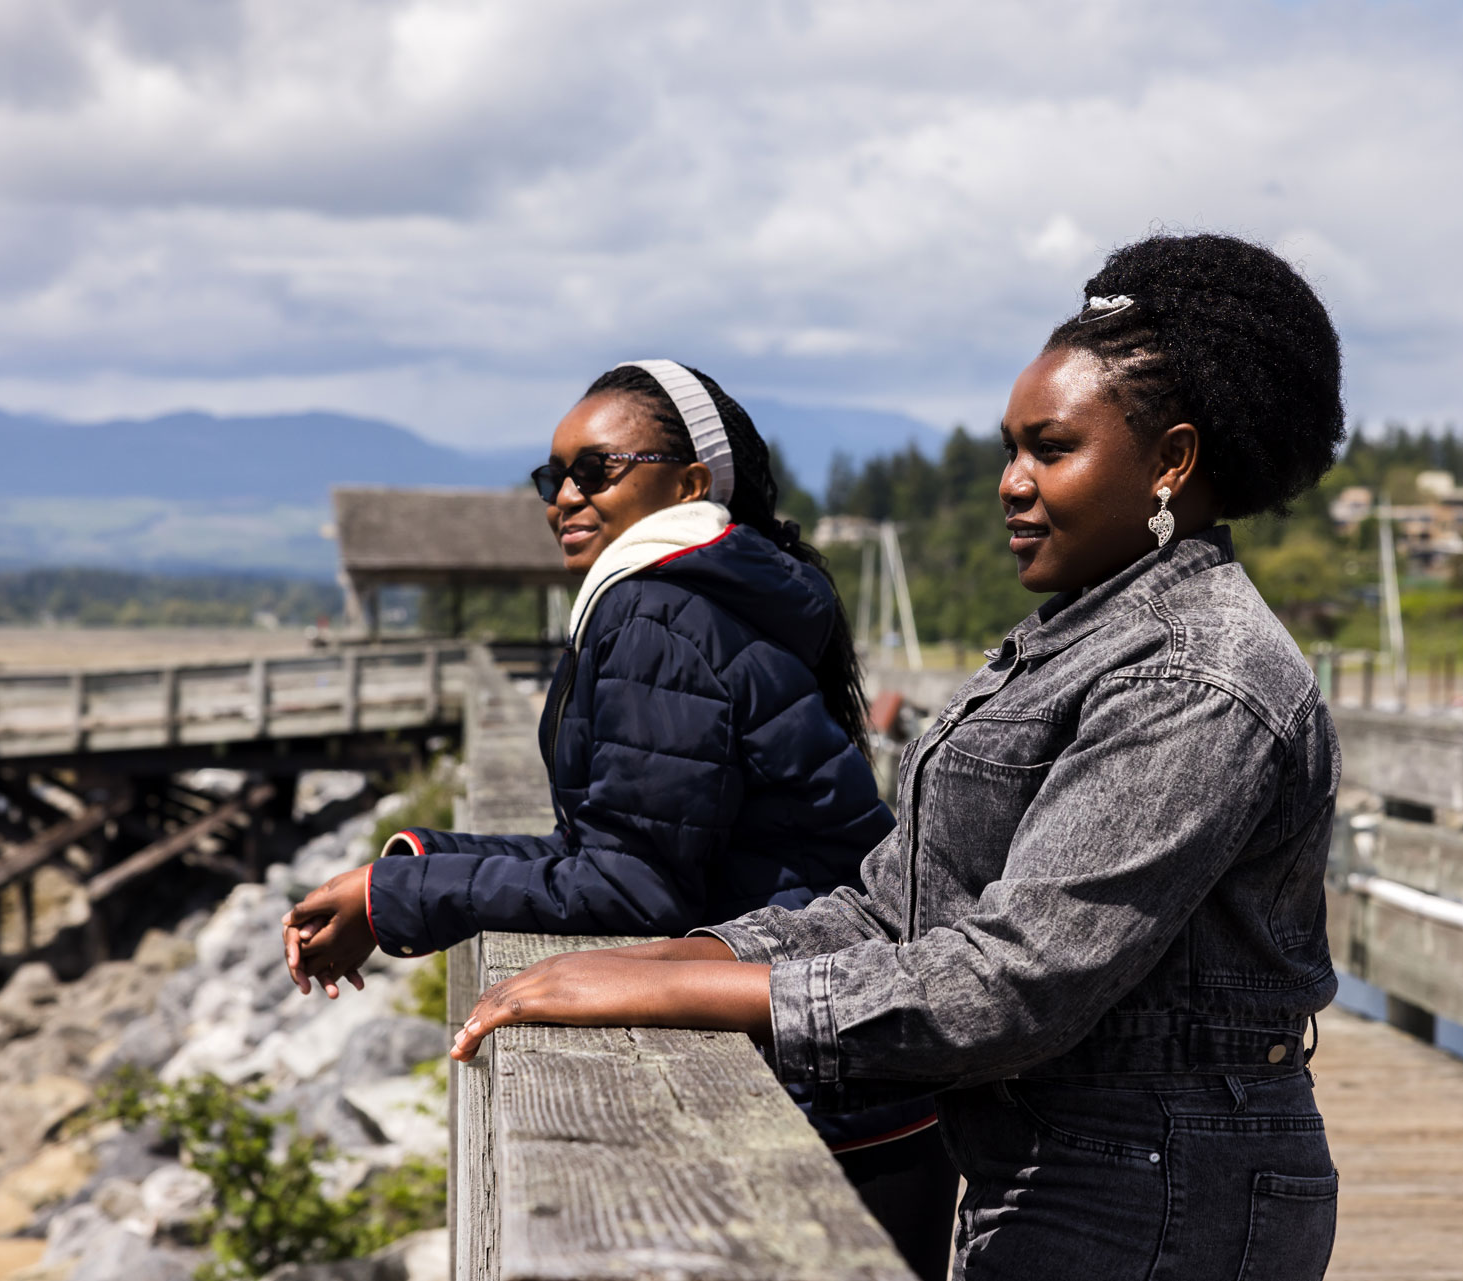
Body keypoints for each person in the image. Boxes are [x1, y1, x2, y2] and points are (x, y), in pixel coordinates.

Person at [447, 233, 1349, 1280]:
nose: (1010, 483)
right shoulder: (1078, 638)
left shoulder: (1193, 678)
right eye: (1009, 449)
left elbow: (1014, 982)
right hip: (1061, 1162)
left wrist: (686, 996)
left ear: (1171, 462)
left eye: (1050, 449)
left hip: (1160, 1190)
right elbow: (891, 906)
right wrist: (672, 958)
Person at [281, 360, 960, 1278]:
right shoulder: (707, 596)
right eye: (549, 475)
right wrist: (407, 864)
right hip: (865, 1082)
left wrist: (396, 892)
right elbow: (620, 842)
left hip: (818, 1094)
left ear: (687, 484)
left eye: (595, 469)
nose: (562, 494)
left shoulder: (656, 614)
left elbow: (635, 888)